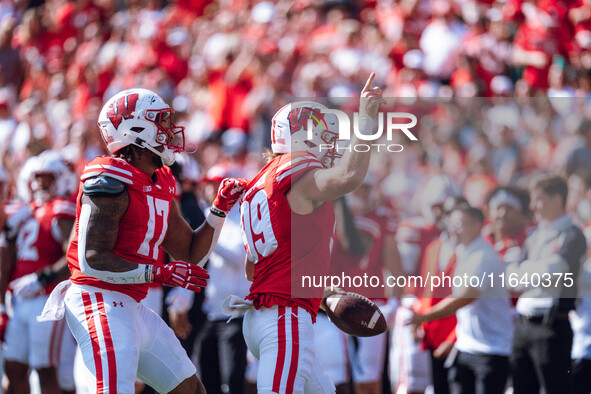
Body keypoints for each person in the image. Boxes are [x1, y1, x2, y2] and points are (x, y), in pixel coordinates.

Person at [43, 88, 246, 394]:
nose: (168, 130)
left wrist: (218, 210)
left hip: (131, 300)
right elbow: (92, 258)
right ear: (135, 130)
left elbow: (190, 253)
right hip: (97, 298)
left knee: (191, 389)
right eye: (160, 122)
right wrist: (157, 273)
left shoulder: (161, 180)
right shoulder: (108, 178)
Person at [238, 73, 384, 393]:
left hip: (267, 315)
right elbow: (349, 175)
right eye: (321, 136)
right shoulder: (297, 175)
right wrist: (367, 119)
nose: (329, 143)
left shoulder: (261, 182)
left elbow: (254, 267)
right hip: (284, 320)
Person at [408, 205, 513, 394]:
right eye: (451, 223)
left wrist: (425, 316)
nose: (453, 228)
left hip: (490, 350)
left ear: (476, 226)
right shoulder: (465, 253)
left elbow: (465, 297)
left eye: (459, 224)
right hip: (467, 348)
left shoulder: (482, 257)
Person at [1, 151, 78, 394]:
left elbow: (73, 258)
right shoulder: (27, 212)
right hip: (19, 301)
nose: (39, 184)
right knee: (13, 367)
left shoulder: (61, 210)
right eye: (37, 177)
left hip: (46, 300)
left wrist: (41, 277)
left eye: (46, 178)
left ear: (62, 179)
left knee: (46, 371)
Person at [507, 175, 586, 394]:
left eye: (538, 199)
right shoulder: (534, 236)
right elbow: (511, 279)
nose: (533, 206)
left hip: (550, 325)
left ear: (557, 199)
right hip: (523, 326)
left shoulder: (572, 234)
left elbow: (555, 269)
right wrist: (535, 272)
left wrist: (525, 272)